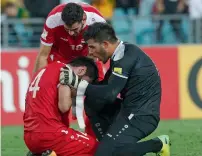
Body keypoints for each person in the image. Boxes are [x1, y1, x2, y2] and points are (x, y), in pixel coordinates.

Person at [59, 22, 171, 156]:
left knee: (105, 153)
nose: (90, 52)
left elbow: (110, 94)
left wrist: (77, 83)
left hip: (142, 116)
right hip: (127, 110)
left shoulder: (126, 57)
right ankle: (108, 143)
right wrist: (74, 94)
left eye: (92, 47)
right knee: (92, 101)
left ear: (105, 44)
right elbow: (102, 88)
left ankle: (158, 144)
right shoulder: (119, 55)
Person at [33, 1, 106, 138]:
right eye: (68, 30)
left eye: (75, 29)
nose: (72, 33)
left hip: (87, 56)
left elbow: (101, 54)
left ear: (83, 19)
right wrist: (38, 84)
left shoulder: (98, 21)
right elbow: (43, 55)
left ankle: (93, 138)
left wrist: (79, 93)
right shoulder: (54, 19)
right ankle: (59, 137)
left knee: (98, 97)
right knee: (56, 100)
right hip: (60, 55)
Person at [24, 57, 99, 156]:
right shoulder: (66, 72)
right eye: (85, 83)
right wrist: (72, 91)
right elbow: (64, 107)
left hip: (29, 136)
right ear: (81, 70)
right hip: (50, 134)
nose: (82, 89)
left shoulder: (45, 69)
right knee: (97, 148)